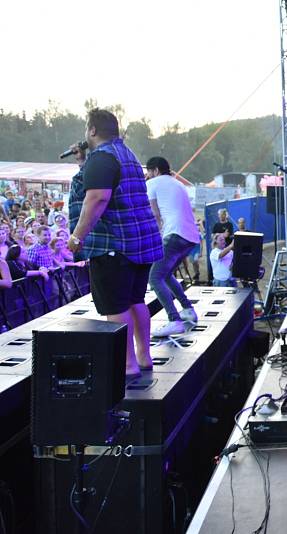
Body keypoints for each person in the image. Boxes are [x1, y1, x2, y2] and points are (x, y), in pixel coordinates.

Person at [67, 108, 163, 379]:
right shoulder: (125, 154)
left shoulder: (103, 157)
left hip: (113, 245)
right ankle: (143, 358)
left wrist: (77, 237)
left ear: (93, 131)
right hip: (138, 244)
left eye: (87, 128)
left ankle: (127, 365)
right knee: (135, 301)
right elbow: (101, 180)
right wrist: (83, 161)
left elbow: (97, 198)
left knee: (115, 308)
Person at [144, 157, 200, 337]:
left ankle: (174, 320)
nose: (147, 175)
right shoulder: (178, 184)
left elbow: (155, 215)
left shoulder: (153, 183)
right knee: (166, 275)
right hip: (190, 237)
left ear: (155, 170)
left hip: (174, 234)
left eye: (149, 172)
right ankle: (188, 309)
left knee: (154, 278)